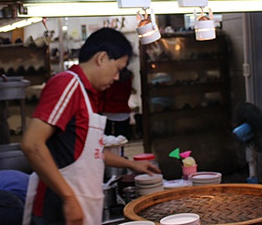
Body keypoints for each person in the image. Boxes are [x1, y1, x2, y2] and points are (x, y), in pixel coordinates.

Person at [21, 28, 160, 225]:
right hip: (58, 210)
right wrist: (69, 198)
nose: (117, 78)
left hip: (80, 206)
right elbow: (32, 144)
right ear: (102, 58)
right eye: (118, 69)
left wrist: (131, 165)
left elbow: (91, 151)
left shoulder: (88, 95)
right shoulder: (67, 84)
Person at [100, 67, 134, 139]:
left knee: (107, 141)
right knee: (121, 141)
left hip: (107, 110)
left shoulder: (108, 75)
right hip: (123, 111)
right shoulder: (128, 76)